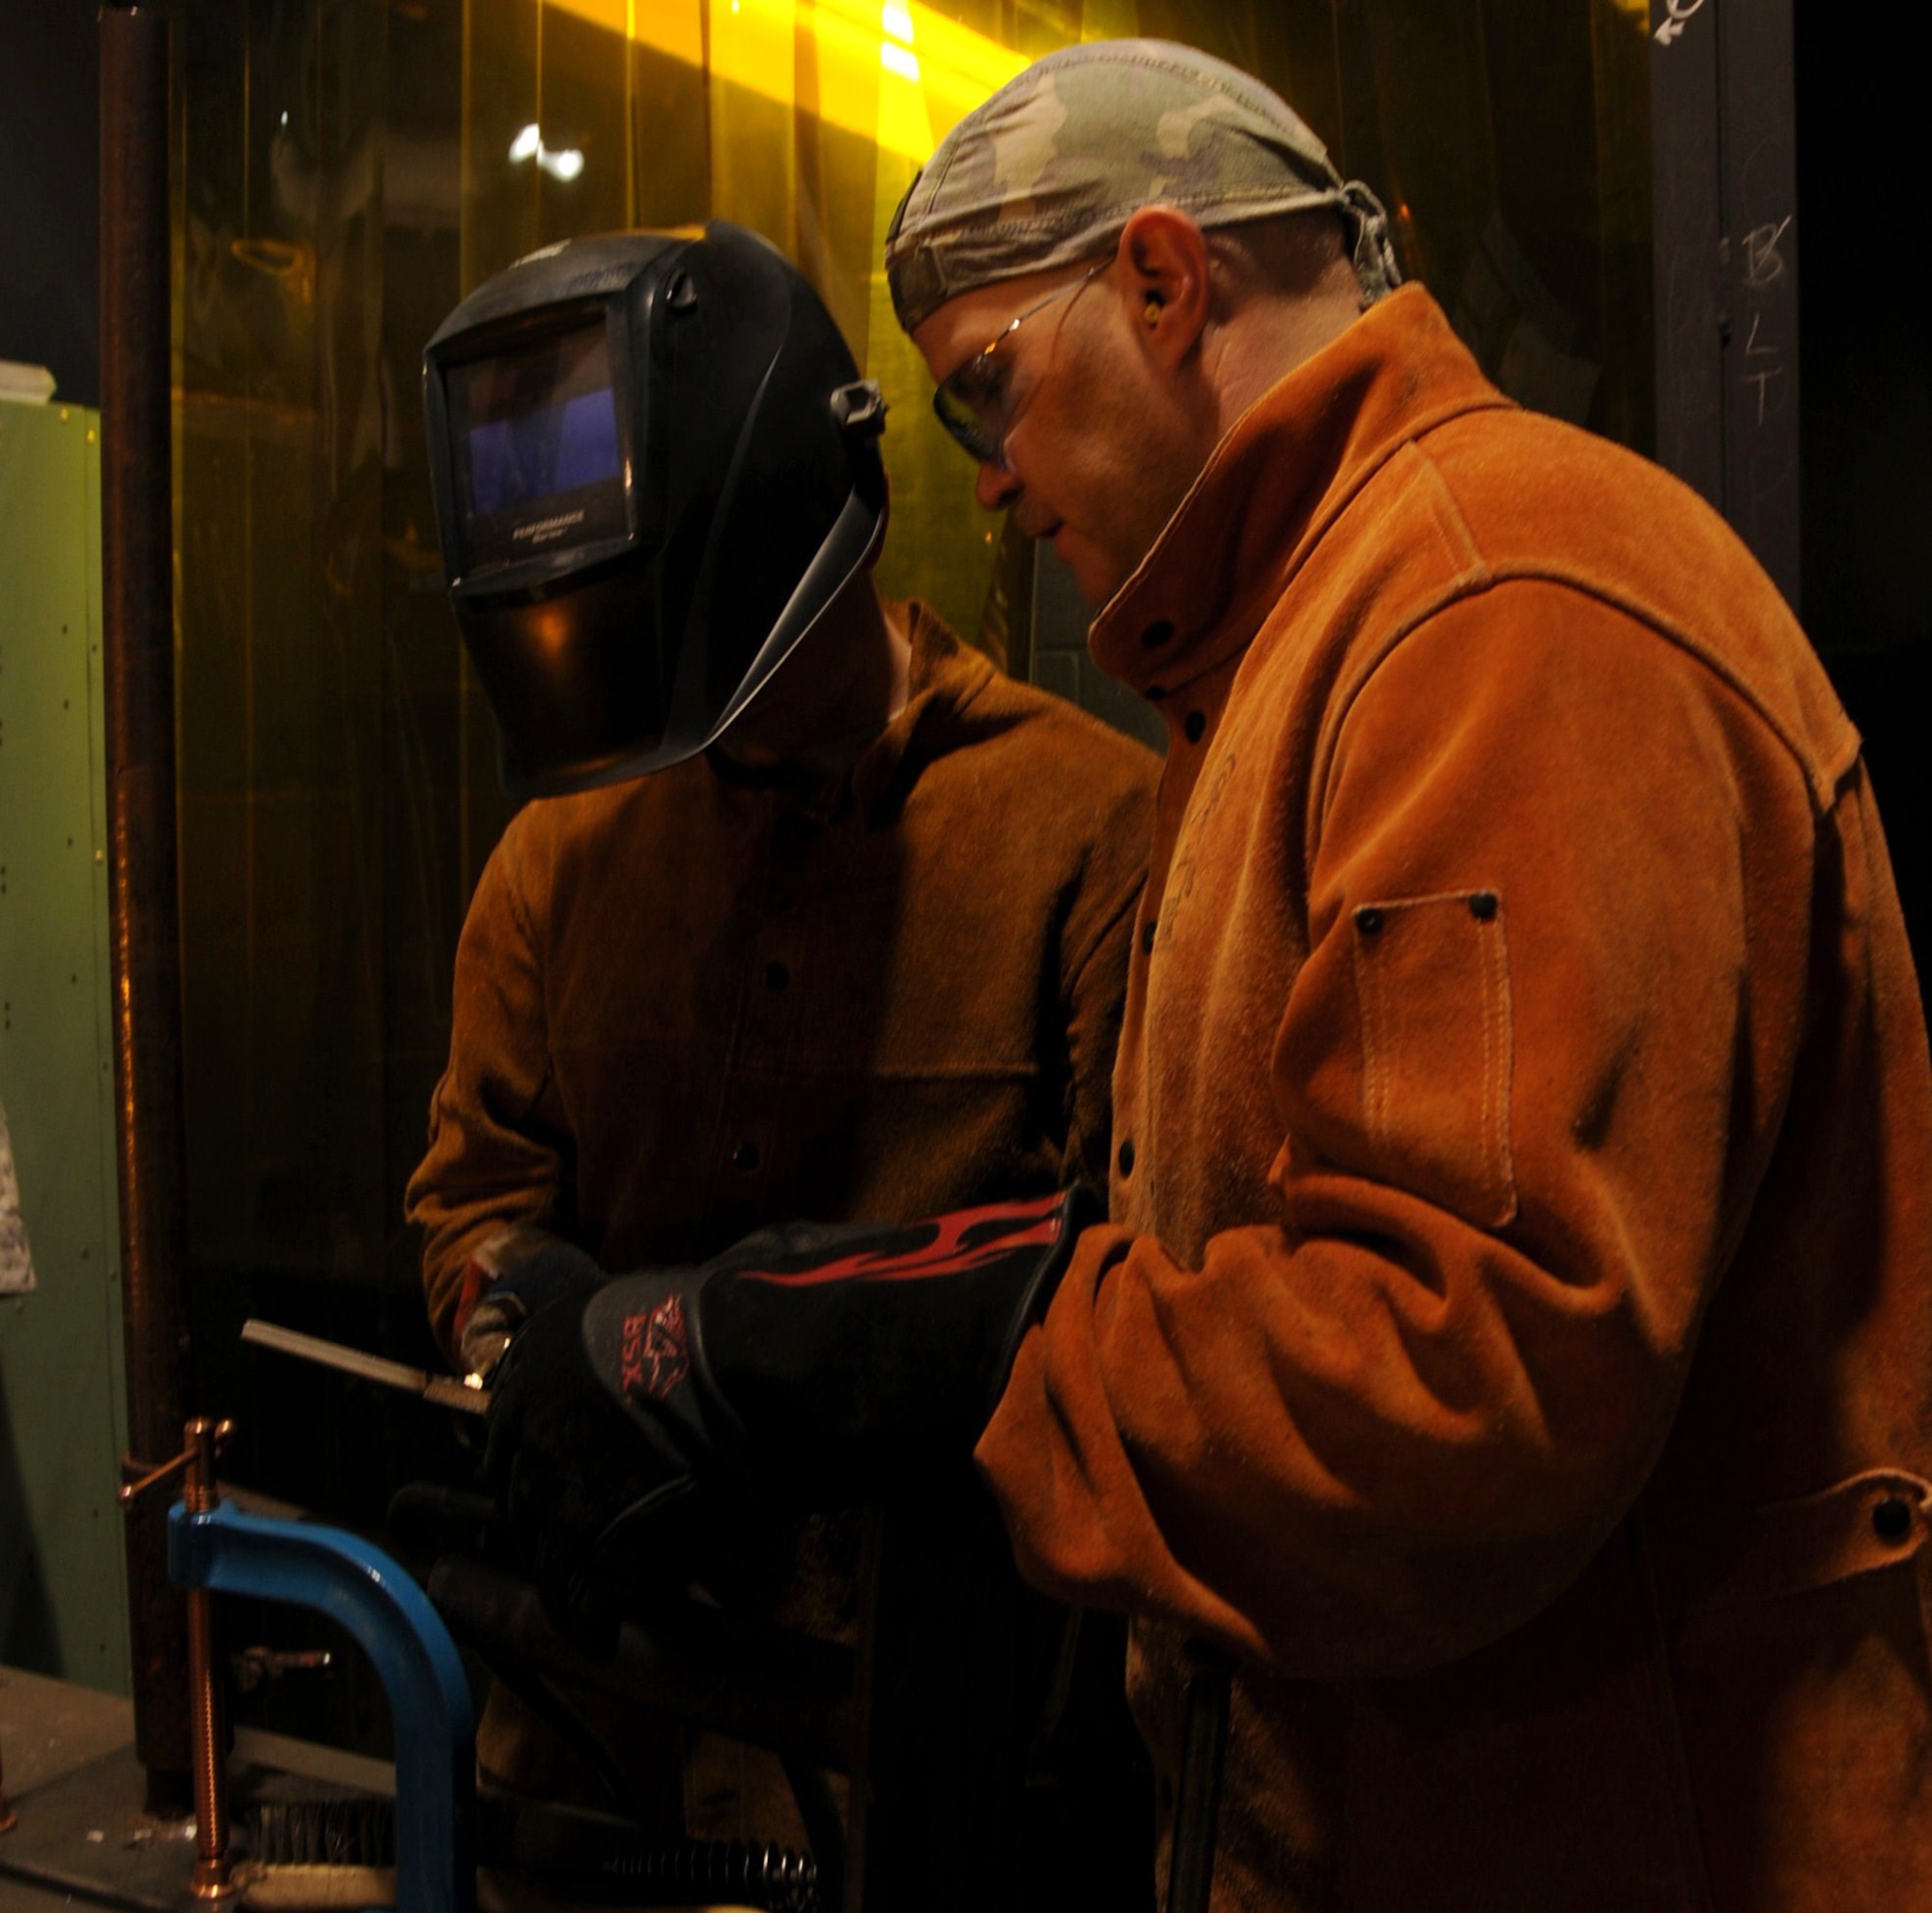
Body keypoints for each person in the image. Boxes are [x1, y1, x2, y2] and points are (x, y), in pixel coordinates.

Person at [482, 47, 1932, 1912]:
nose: (988, 485)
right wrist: (840, 1309)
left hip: (1607, 1835)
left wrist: (944, 1357)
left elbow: (1454, 1378)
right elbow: (1226, 1247)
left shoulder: (1499, 619)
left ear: (1166, 284)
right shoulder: (1304, 651)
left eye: (989, 388)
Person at [404, 222, 1158, 1873]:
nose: (700, 749)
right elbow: (473, 1194)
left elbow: (1137, 1278)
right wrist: (529, 1335)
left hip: (929, 1764)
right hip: (598, 1737)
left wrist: (776, 1369)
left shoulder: (1089, 832)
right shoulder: (570, 843)